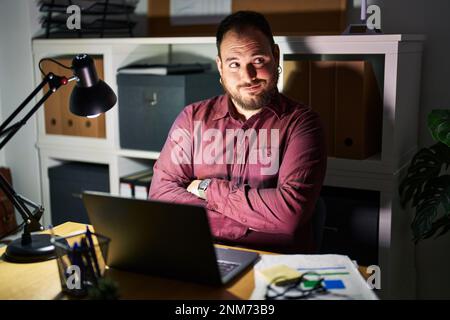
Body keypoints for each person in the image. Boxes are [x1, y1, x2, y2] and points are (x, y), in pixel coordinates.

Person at [149, 11, 326, 253]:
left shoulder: (303, 124)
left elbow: (289, 215)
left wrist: (206, 188)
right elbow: (161, 196)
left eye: (258, 60)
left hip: (276, 265)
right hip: (201, 255)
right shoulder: (192, 118)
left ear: (275, 56)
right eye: (234, 64)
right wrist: (254, 219)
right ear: (220, 67)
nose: (247, 76)